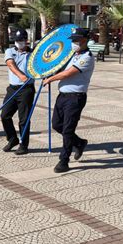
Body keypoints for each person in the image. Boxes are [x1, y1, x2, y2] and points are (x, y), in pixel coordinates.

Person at [42, 28, 95, 173]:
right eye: (73, 40)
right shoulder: (72, 55)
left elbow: (68, 73)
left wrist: (50, 79)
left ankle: (64, 160)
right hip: (63, 96)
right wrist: (48, 71)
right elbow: (60, 67)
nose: (74, 43)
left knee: (67, 129)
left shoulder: (87, 58)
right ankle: (79, 142)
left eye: (76, 40)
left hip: (75, 98)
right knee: (57, 125)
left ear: (85, 41)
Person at [0, 29, 35, 155]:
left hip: (26, 90)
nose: (19, 43)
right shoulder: (10, 51)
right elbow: (10, 64)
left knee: (24, 119)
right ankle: (12, 139)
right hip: (13, 88)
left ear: (26, 40)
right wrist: (21, 76)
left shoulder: (33, 53)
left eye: (21, 40)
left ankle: (23, 144)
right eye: (17, 41)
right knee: (5, 115)